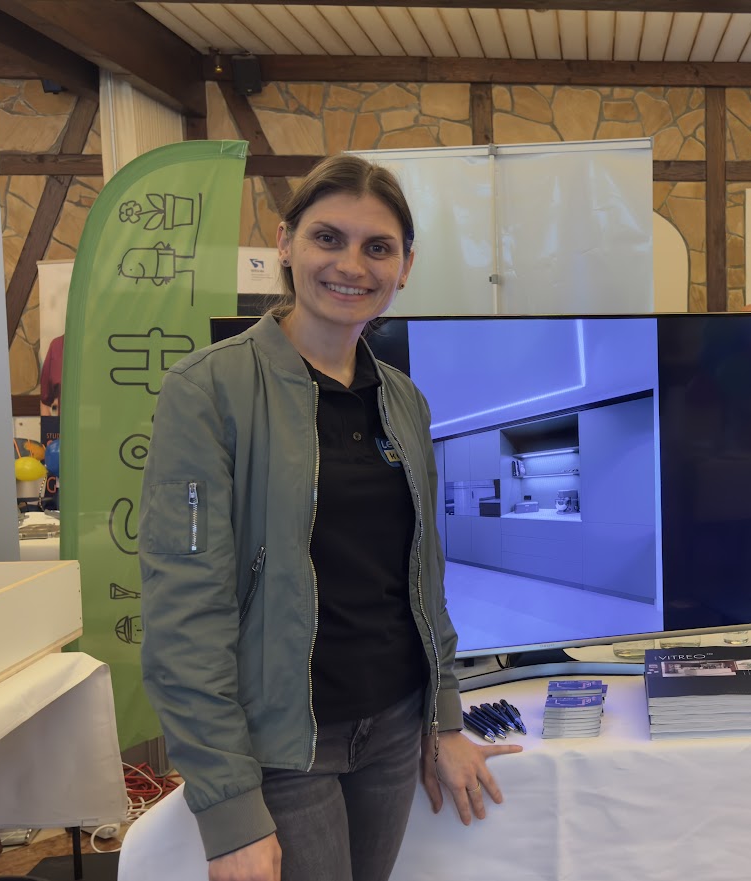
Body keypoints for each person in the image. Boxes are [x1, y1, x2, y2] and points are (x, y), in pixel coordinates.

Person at [139, 155, 520, 881]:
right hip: (283, 745)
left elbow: (423, 577)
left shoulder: (403, 399)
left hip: (394, 728)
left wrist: (442, 719)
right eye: (327, 238)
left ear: (405, 266)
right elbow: (185, 613)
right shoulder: (208, 390)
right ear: (286, 243)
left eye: (378, 247)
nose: (351, 265)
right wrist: (229, 809)